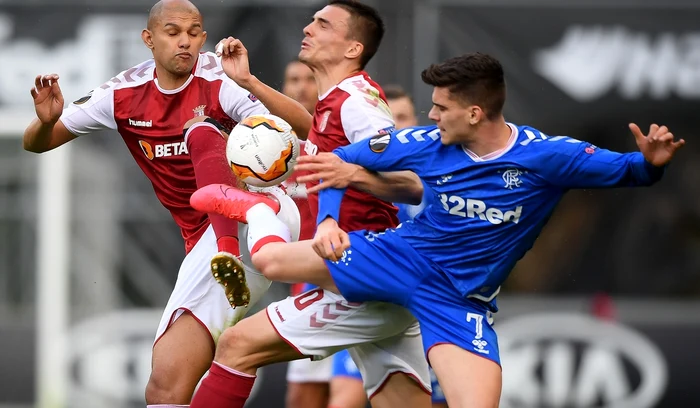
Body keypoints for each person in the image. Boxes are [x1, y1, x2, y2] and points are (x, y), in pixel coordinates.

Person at [192, 52, 685, 408]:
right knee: (272, 261)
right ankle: (255, 211)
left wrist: (653, 164)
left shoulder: (547, 157)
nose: (430, 116)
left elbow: (630, 171)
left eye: (440, 107)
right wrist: (326, 220)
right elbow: (338, 157)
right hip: (397, 258)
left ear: (474, 113)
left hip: (457, 298)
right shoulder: (428, 142)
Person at [22, 1, 312, 406]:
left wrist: (251, 84)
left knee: (201, 129)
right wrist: (48, 120)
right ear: (149, 39)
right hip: (203, 242)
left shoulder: (220, 79)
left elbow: (303, 127)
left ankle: (229, 248)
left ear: (204, 38)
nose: (185, 41)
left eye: (194, 32)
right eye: (173, 32)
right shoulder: (121, 94)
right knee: (167, 386)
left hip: (259, 212)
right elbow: (36, 144)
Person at [188, 1, 432, 407]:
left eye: (322, 24)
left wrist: (349, 175)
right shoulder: (337, 99)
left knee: (236, 345)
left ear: (352, 48)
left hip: (363, 275)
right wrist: (249, 82)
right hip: (372, 273)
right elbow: (314, 126)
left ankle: (253, 211)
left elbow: (412, 184)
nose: (308, 28)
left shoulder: (357, 103)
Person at [280, 60, 367, 408]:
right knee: (303, 396)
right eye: (292, 80)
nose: (300, 87)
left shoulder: (340, 139)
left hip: (351, 276)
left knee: (347, 397)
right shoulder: (261, 146)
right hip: (304, 283)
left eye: (308, 80)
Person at [384, 84, 447, 408]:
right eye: (388, 120)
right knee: (342, 396)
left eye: (403, 118)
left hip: (430, 306)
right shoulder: (359, 175)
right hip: (373, 303)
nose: (396, 128)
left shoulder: (442, 175)